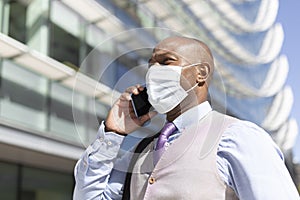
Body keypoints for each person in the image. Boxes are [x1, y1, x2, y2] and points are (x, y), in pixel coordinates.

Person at [73, 36, 299, 200]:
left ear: (201, 73)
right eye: (151, 63)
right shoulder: (140, 153)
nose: (153, 70)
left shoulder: (238, 137)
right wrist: (113, 133)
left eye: (166, 61)